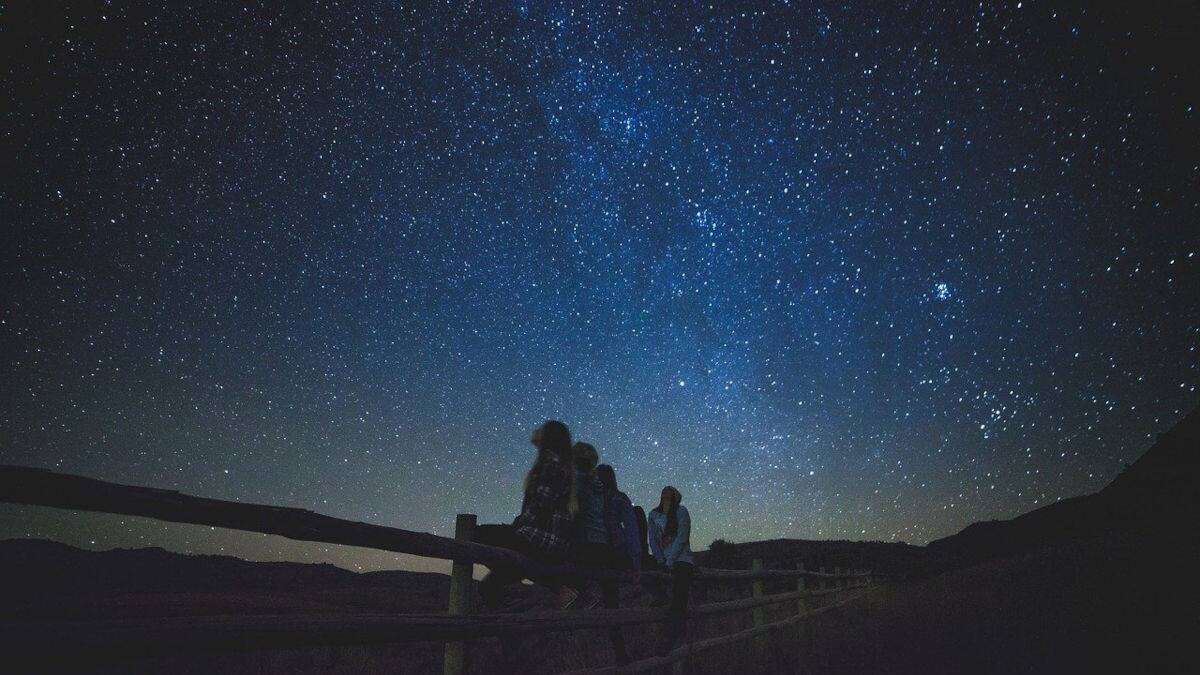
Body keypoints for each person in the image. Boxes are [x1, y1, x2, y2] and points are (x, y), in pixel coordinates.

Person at [476, 420, 577, 610]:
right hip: (550, 540)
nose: (535, 432)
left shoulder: (550, 465)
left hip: (543, 539)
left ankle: (551, 584)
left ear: (548, 437)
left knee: (478, 534)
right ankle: (539, 587)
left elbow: (540, 506)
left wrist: (516, 527)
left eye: (541, 430)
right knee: (490, 586)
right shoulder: (560, 465)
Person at [567, 444, 630, 663]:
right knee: (612, 603)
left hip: (587, 545)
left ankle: (580, 592)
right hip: (604, 547)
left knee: (560, 565)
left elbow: (575, 516)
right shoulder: (602, 489)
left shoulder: (579, 483)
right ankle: (621, 654)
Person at [648, 485, 694, 654]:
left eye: (670, 494)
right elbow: (652, 540)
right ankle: (660, 597)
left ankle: (667, 640)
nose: (665, 496)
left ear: (675, 497)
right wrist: (660, 560)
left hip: (682, 560)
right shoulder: (653, 515)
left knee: (679, 600)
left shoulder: (681, 512)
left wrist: (670, 562)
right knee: (647, 573)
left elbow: (682, 538)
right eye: (663, 494)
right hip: (664, 559)